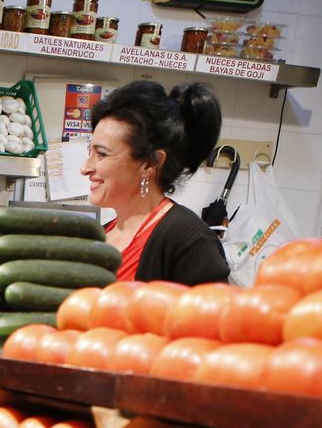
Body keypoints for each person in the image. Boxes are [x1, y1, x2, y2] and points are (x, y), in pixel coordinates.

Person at [83, 80, 231, 286]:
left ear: (152, 162)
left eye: (101, 154)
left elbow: (216, 316)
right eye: (89, 152)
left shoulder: (191, 243)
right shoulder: (100, 236)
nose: (85, 168)